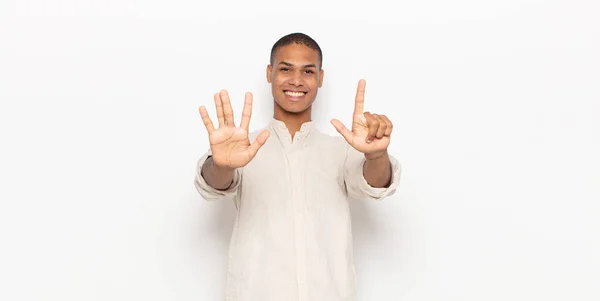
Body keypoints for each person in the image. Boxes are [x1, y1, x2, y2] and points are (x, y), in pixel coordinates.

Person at [194, 32, 401, 301]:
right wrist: (221, 165)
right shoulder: (244, 147)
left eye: (307, 71)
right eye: (285, 69)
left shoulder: (342, 150)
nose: (296, 80)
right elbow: (215, 183)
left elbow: (375, 183)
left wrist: (376, 155)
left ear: (320, 78)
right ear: (270, 73)